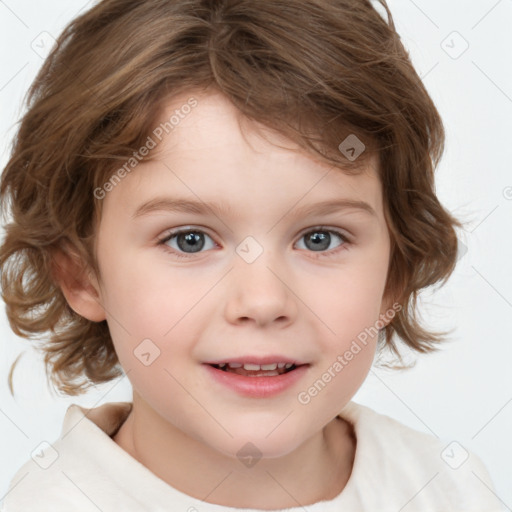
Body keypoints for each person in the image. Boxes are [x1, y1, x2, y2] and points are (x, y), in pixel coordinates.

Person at [0, 0, 504, 510]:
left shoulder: (450, 489)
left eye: (320, 238)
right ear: (81, 275)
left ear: (395, 273)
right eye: (189, 239)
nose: (263, 301)